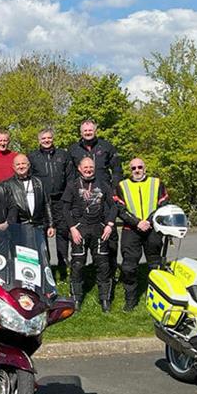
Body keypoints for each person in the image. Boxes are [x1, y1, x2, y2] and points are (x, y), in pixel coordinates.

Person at [68, 119, 123, 292]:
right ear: (81, 132)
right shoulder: (74, 149)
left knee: (109, 237)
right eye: (85, 130)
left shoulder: (106, 147)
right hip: (82, 198)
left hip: (104, 197)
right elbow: (69, 173)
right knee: (80, 240)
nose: (88, 132)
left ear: (95, 130)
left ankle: (110, 272)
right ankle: (80, 279)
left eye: (90, 130)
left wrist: (114, 190)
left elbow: (117, 169)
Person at [62, 157, 117, 312]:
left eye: (91, 167)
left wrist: (110, 225)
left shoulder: (103, 184)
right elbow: (65, 209)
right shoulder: (72, 185)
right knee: (78, 265)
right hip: (79, 229)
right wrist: (72, 228)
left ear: (94, 168)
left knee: (103, 265)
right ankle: (76, 299)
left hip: (99, 229)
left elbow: (114, 206)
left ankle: (105, 299)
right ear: (79, 168)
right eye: (85, 167)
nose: (88, 170)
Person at [114, 157, 169, 311]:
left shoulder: (156, 183)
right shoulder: (122, 186)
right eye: (133, 168)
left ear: (145, 168)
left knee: (155, 265)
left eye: (140, 167)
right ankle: (130, 300)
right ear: (129, 170)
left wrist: (149, 221)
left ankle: (157, 298)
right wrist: (137, 222)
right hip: (131, 229)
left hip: (152, 229)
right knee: (128, 267)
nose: (137, 170)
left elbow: (163, 204)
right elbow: (120, 209)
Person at [28, 128, 74, 278]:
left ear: (53, 139)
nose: (46, 141)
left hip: (60, 200)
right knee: (42, 234)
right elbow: (31, 179)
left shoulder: (63, 155)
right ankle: (46, 269)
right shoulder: (33, 157)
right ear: (39, 140)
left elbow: (70, 177)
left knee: (62, 233)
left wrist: (68, 198)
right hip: (42, 202)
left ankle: (63, 267)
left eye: (49, 138)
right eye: (43, 138)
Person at [1, 154, 55, 237]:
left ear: (28, 165)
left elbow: (47, 203)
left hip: (39, 227)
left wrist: (51, 225)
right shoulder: (7, 185)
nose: (21, 166)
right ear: (13, 167)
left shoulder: (39, 182)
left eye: (23, 163)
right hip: (19, 227)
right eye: (18, 164)